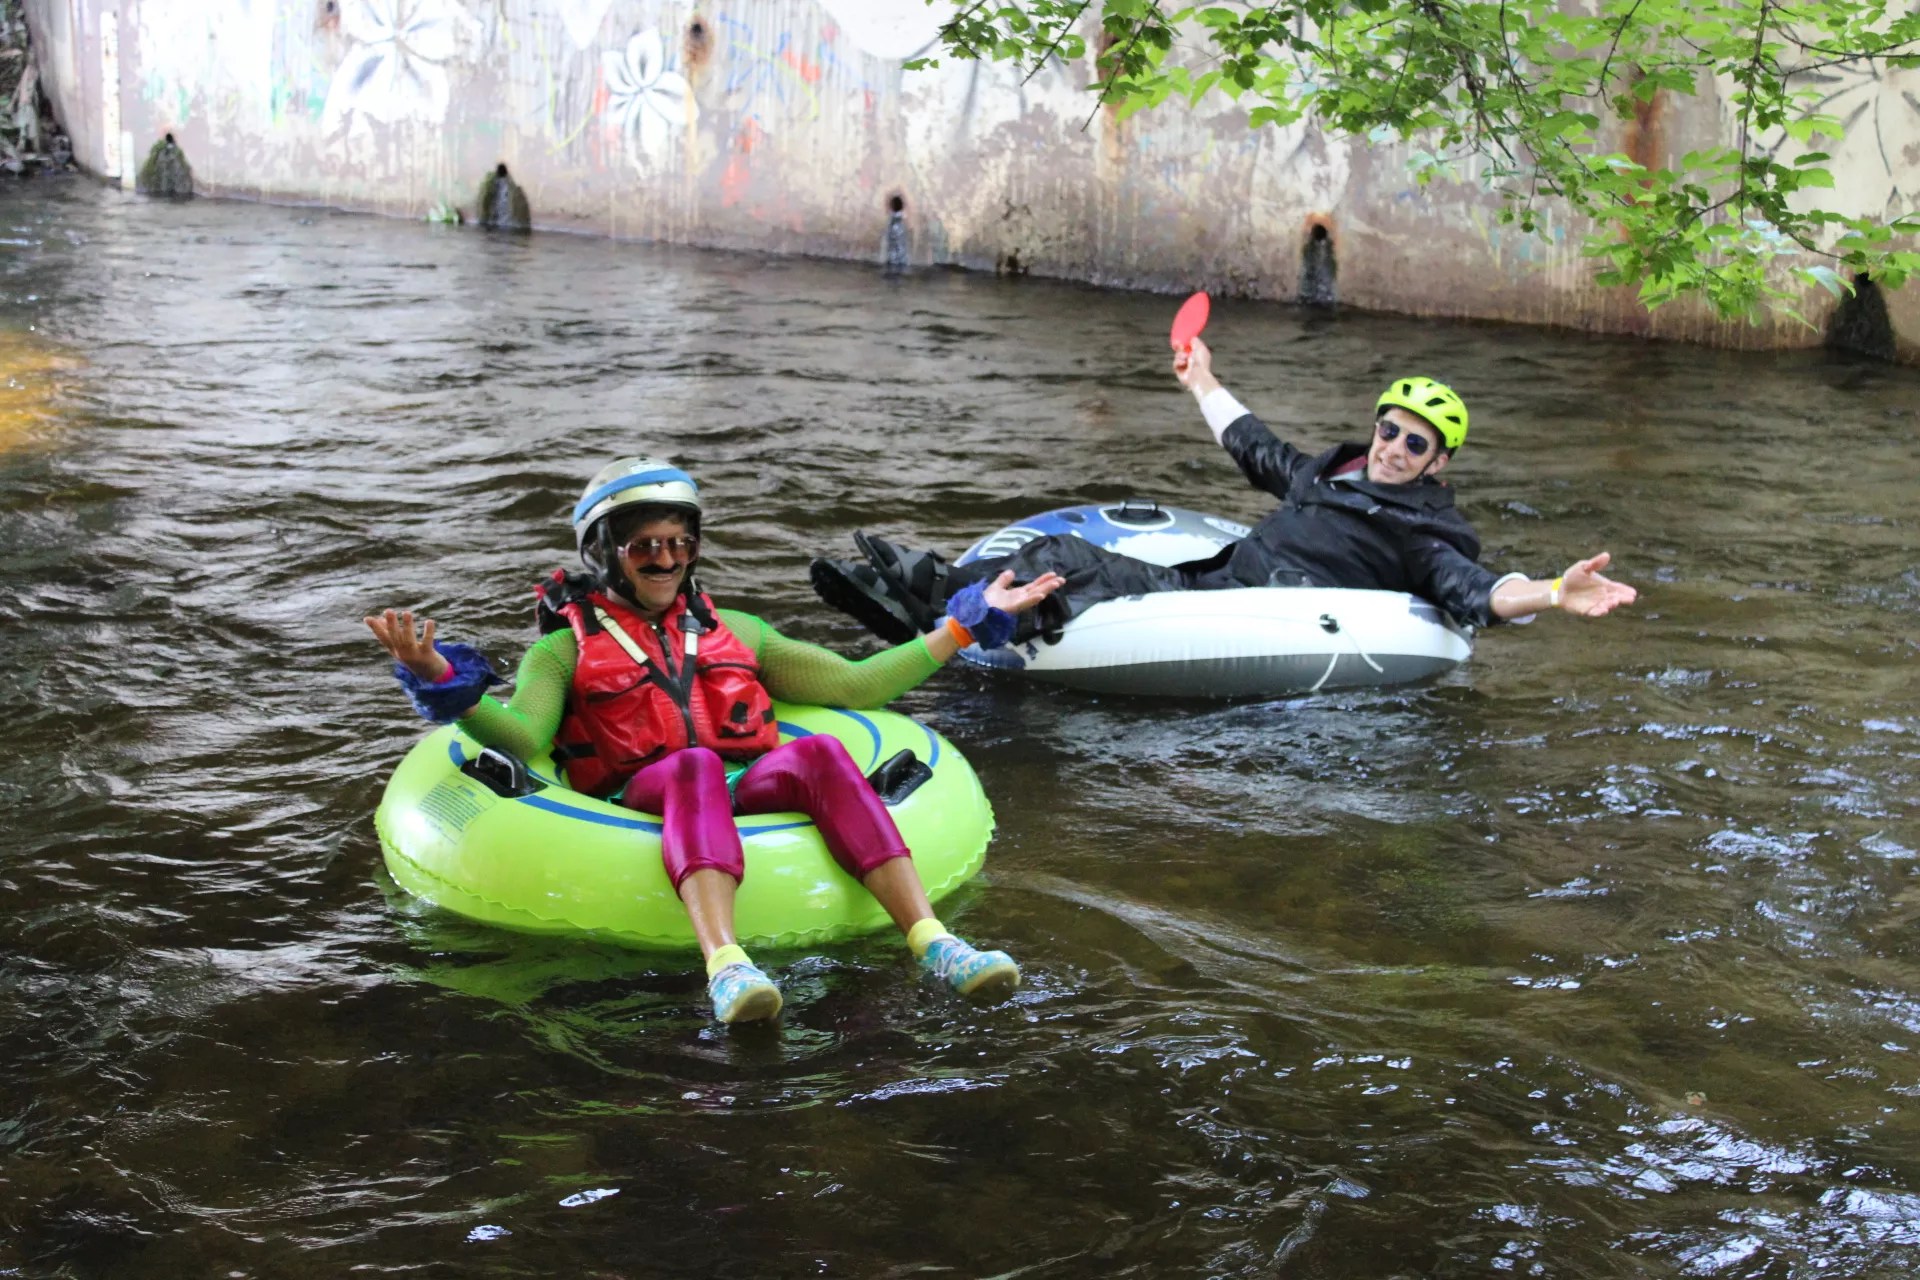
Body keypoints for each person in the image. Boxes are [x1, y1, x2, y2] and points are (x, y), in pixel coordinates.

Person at [366, 457, 1065, 1025]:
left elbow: (856, 686)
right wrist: (442, 680)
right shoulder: (561, 651)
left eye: (679, 544)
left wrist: (965, 625)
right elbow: (520, 738)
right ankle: (726, 965)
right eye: (645, 547)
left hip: (742, 783)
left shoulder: (741, 631)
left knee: (820, 751)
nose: (665, 560)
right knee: (694, 763)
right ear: (605, 554)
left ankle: (935, 943)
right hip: (641, 790)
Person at [810, 336, 1636, 645]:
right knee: (1062, 551)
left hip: (1266, 614)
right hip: (1215, 581)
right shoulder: (1329, 474)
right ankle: (925, 599)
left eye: (1415, 443)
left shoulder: (1425, 532)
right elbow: (1255, 448)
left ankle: (933, 615)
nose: (1394, 448)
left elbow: (1477, 592)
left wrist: (1553, 592)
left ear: (1437, 464)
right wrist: (1201, 378)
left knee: (1073, 575)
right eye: (1390, 429)